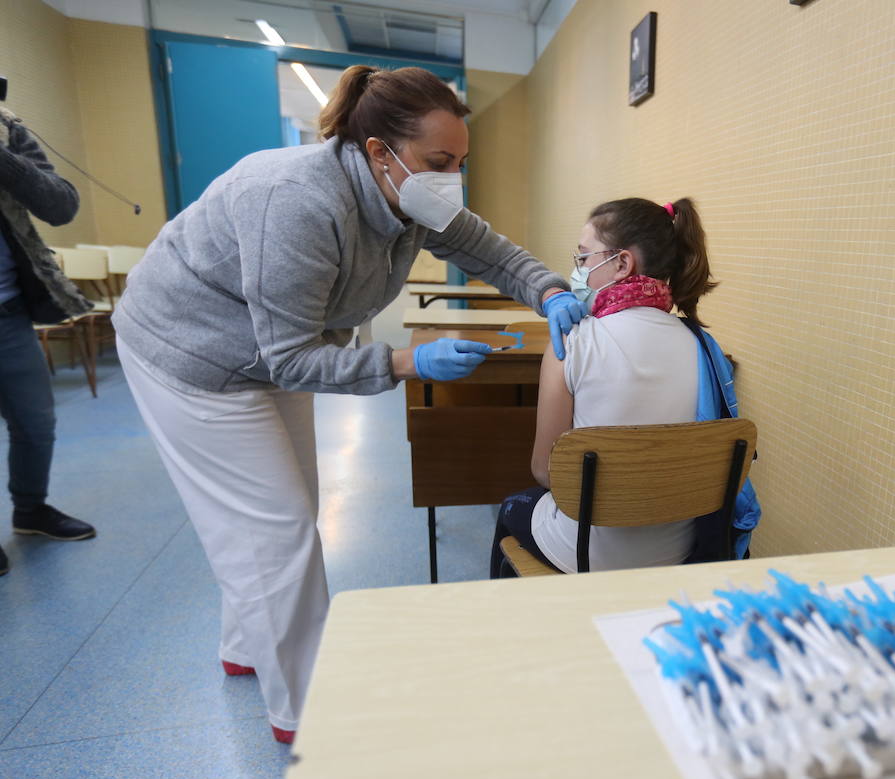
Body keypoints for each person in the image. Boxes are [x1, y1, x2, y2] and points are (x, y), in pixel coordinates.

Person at [112, 66, 588, 743]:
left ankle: (247, 646)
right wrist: (403, 361)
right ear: (376, 151)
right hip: (191, 356)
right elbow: (293, 360)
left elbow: (493, 253)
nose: (449, 177)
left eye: (460, 163)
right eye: (438, 162)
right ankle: (306, 715)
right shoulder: (297, 201)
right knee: (275, 531)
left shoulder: (408, 196)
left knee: (288, 507)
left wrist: (551, 293)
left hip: (273, 347)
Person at [491, 196, 739, 576]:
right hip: (683, 548)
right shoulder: (706, 348)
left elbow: (545, 471)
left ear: (621, 263)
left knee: (513, 507)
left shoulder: (570, 343)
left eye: (584, 258)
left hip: (589, 554)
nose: (577, 271)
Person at [0, 104, 98, 578]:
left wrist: (3, 156)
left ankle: (31, 510)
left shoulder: (7, 129)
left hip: (8, 313)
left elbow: (62, 205)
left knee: (36, 423)